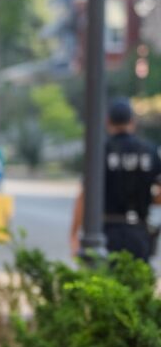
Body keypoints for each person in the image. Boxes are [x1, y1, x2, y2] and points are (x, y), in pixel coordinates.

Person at [69, 97, 161, 260]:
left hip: (107, 230)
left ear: (108, 121)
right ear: (132, 121)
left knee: (105, 279)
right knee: (136, 281)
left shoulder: (100, 150)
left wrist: (74, 234)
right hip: (139, 230)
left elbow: (85, 196)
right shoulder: (149, 151)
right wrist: (147, 197)